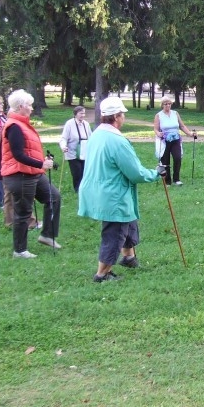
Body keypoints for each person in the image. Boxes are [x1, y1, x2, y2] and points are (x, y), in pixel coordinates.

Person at [79, 96, 165, 282]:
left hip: (101, 189)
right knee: (115, 232)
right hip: (112, 194)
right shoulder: (116, 141)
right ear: (116, 117)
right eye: (123, 115)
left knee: (129, 220)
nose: (124, 118)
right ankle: (102, 274)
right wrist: (155, 173)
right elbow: (135, 172)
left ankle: (129, 257)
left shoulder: (97, 134)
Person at [1, 89, 61, 258]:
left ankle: (47, 235)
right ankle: (19, 250)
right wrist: (41, 163)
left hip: (33, 172)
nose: (32, 108)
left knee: (54, 197)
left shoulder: (22, 124)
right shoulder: (14, 127)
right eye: (29, 105)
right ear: (21, 106)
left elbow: (28, 151)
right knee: (23, 212)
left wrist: (42, 160)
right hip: (19, 175)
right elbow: (18, 155)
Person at [153, 96, 196, 186]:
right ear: (162, 105)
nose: (168, 105)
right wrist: (158, 133)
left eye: (169, 104)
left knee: (177, 158)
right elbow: (156, 129)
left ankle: (176, 179)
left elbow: (182, 126)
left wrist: (190, 133)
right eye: (166, 104)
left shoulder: (175, 113)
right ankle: (167, 181)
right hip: (164, 140)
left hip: (176, 139)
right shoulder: (158, 115)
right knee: (165, 160)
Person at [59, 106, 93, 193]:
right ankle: (78, 190)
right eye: (81, 113)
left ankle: (85, 189)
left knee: (85, 172)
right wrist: (63, 146)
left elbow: (90, 137)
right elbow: (63, 138)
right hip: (72, 153)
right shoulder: (69, 124)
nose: (83, 115)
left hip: (84, 153)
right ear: (75, 114)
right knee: (77, 172)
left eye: (84, 113)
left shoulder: (86, 124)